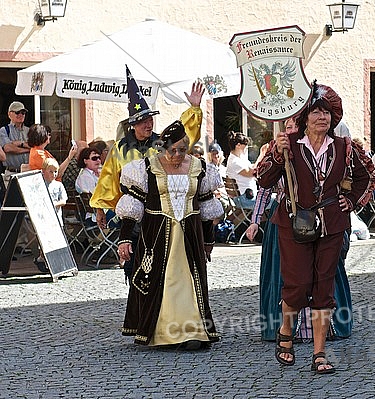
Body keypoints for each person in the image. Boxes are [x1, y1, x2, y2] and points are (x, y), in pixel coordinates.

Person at [257, 82, 375, 374]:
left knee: (324, 288)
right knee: (297, 285)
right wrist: (276, 154)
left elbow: (369, 177)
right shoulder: (286, 143)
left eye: (327, 112)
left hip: (332, 225)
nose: (322, 117)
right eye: (315, 112)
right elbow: (262, 179)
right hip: (293, 222)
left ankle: (319, 353)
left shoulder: (345, 147)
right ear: (304, 117)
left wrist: (351, 201)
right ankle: (286, 329)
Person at [90, 67, 205, 280]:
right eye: (143, 120)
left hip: (159, 211)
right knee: (134, 262)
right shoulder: (120, 148)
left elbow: (184, 137)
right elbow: (107, 179)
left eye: (150, 119)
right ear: (133, 124)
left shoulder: (160, 143)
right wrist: (100, 209)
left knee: (161, 262)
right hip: (133, 214)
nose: (149, 123)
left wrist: (194, 109)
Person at [246, 117, 353, 342]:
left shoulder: (322, 149)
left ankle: (324, 329)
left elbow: (346, 179)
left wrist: (349, 202)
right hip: (285, 220)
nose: (291, 130)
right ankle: (286, 328)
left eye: (295, 126)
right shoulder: (277, 151)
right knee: (289, 275)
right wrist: (255, 220)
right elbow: (264, 187)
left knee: (322, 272)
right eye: (288, 127)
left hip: (318, 219)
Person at [116, 120, 218, 348]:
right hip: (157, 235)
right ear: (163, 148)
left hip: (190, 236)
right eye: (173, 150)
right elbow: (132, 206)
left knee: (189, 282)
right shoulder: (145, 168)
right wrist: (124, 238)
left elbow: (206, 207)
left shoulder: (199, 168)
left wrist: (208, 240)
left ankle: (192, 331)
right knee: (164, 280)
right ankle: (164, 333)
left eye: (183, 150)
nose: (177, 155)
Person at [34, 157, 68, 272]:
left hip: (56, 218)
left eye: (55, 171)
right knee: (44, 240)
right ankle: (42, 258)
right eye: (51, 171)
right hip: (43, 218)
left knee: (56, 240)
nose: (54, 174)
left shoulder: (58, 185)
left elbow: (63, 200)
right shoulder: (39, 185)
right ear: (43, 171)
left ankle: (54, 262)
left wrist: (54, 204)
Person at [226, 131, 257, 209]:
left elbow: (252, 168)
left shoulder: (239, 158)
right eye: (245, 145)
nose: (247, 147)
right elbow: (252, 173)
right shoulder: (235, 162)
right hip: (246, 199)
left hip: (244, 197)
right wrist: (262, 154)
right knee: (276, 199)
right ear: (238, 145)